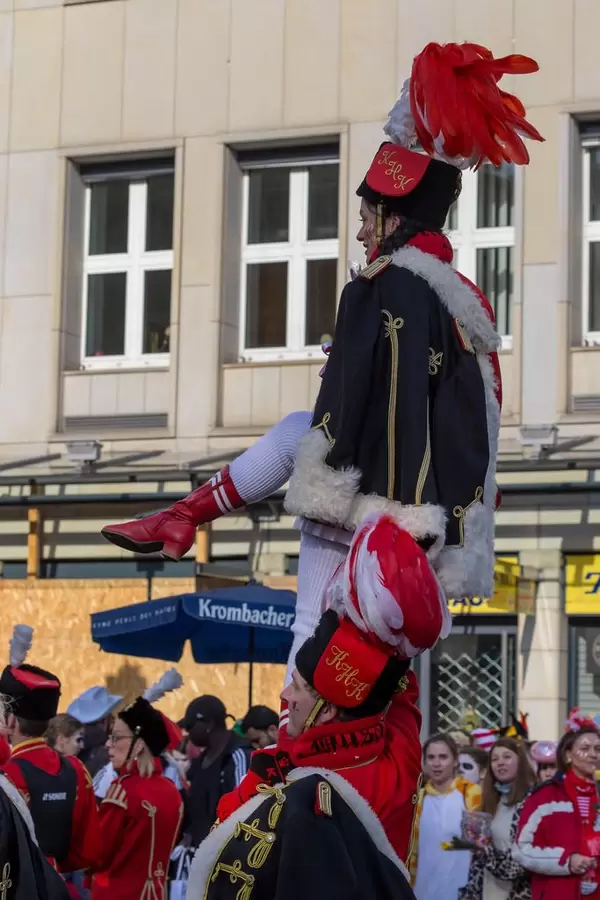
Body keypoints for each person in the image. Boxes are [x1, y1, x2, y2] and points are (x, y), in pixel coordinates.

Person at [101, 41, 543, 681]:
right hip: (427, 524)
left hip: (361, 505)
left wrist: (326, 480)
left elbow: (347, 402)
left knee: (309, 651)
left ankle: (293, 760)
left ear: (390, 212)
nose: (361, 233)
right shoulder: (460, 297)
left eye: (366, 216)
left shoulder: (382, 283)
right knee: (375, 678)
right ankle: (184, 517)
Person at [187, 514, 436, 900]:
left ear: (328, 711)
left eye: (299, 688)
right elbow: (399, 682)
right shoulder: (399, 755)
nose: (285, 697)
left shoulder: (308, 790)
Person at [0, 626, 101, 875]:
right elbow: (88, 850)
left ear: (11, 721)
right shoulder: (76, 769)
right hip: (55, 882)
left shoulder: (7, 774)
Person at [89, 682, 184, 899]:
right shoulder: (171, 790)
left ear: (139, 745)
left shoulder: (123, 791)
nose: (108, 744)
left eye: (116, 737)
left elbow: (97, 853)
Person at [514, 726, 600, 900]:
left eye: (598, 749)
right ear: (568, 755)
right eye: (585, 748)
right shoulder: (544, 796)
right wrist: (567, 861)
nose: (593, 754)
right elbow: (521, 850)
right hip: (559, 893)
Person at [459, 737, 534, 900]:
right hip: (487, 888)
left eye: (507, 757)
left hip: (516, 892)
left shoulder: (532, 802)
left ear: (520, 761)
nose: (500, 763)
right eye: (494, 759)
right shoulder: (491, 801)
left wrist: (483, 849)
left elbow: (521, 864)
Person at [410, 734, 482, 899]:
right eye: (431, 757)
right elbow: (413, 851)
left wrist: (447, 845)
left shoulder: (471, 793)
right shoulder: (419, 798)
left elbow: (479, 845)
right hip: (423, 890)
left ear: (455, 761)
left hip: (463, 891)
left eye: (443, 757)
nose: (436, 763)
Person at [178, 695, 251, 849]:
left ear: (209, 724)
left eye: (190, 725)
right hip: (202, 857)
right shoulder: (200, 763)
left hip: (228, 857)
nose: (187, 732)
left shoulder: (237, 756)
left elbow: (245, 810)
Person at [67, 686, 123, 780]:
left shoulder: (65, 745)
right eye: (111, 716)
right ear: (103, 721)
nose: (114, 719)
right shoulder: (108, 753)